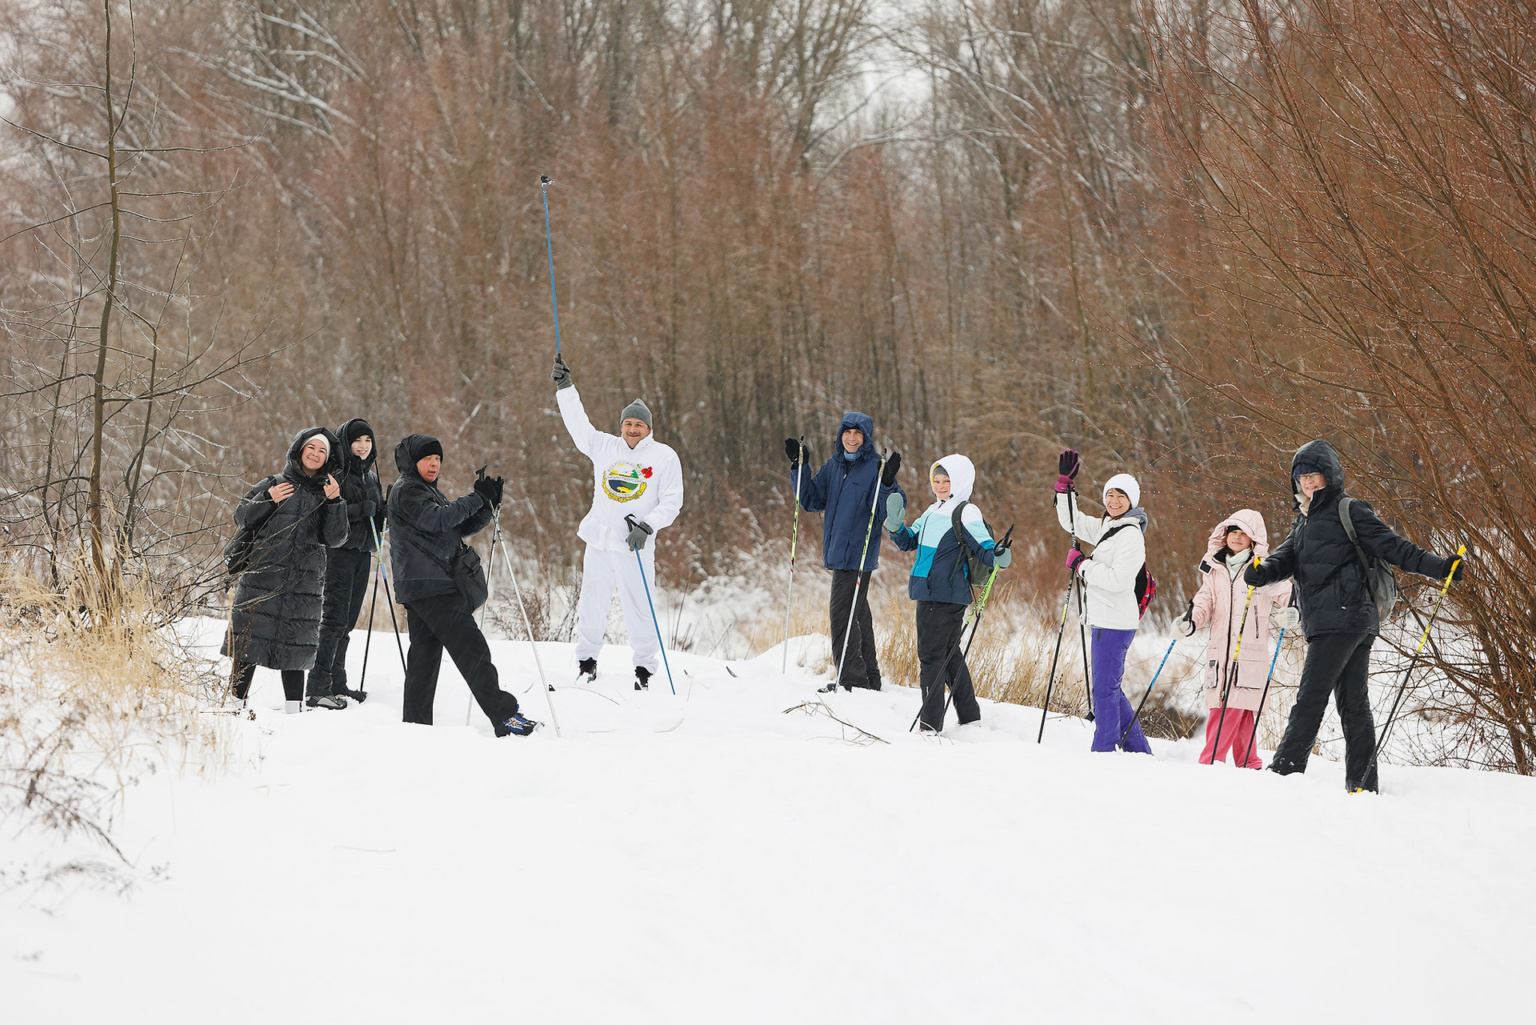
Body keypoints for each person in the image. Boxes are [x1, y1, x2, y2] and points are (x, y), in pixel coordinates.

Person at [1243, 440, 1466, 792]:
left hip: (1343, 618)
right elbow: (1283, 560)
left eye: (1315, 476)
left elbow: (1394, 547)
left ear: (1330, 476)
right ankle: (1362, 784)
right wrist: (1260, 572)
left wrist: (1440, 567)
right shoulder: (1303, 521)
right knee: (1353, 705)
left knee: (1310, 699)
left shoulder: (1349, 509)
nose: (1309, 483)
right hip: (1339, 622)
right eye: (1302, 477)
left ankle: (1283, 775)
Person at [387, 433, 537, 737]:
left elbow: (459, 526)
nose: (434, 464)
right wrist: (476, 497)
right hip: (432, 586)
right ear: (411, 461)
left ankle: (415, 727)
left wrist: (486, 504)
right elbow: (438, 520)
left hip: (423, 585)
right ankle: (504, 715)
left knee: (424, 658)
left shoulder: (426, 491)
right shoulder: (407, 491)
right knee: (472, 648)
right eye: (427, 458)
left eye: (438, 458)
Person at [552, 356, 684, 691]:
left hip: (634, 544)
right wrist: (566, 388)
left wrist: (647, 526)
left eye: (639, 425)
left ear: (649, 429)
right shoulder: (605, 447)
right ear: (621, 425)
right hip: (599, 539)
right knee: (591, 602)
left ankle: (645, 669)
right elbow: (578, 425)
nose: (632, 430)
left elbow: (672, 500)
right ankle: (586, 661)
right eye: (628, 424)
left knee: (639, 606)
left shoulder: (664, 456)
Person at [223, 427, 349, 714]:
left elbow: (336, 538)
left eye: (322, 451)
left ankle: (294, 711)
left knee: (297, 643)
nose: (315, 454)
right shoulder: (274, 483)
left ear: (328, 458)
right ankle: (234, 705)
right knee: (249, 641)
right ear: (299, 450)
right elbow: (241, 516)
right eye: (311, 448)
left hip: (303, 581)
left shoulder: (328, 493)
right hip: (263, 576)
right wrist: (268, 498)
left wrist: (335, 502)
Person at [886, 455, 1010, 732]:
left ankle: (930, 726)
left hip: (943, 595)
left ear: (960, 481)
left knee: (930, 658)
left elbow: (984, 547)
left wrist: (999, 556)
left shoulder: (966, 511)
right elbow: (908, 542)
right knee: (949, 655)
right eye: (937, 481)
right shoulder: (932, 511)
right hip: (929, 591)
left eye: (946, 481)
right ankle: (970, 716)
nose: (940, 486)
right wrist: (895, 525)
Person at [784, 414, 904, 693]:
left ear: (866, 438)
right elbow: (811, 499)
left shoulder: (876, 467)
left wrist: (887, 483)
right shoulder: (834, 466)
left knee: (842, 616)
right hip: (839, 552)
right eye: (847, 432)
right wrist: (800, 466)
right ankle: (869, 678)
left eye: (857, 434)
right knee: (857, 614)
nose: (851, 438)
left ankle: (851, 681)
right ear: (840, 435)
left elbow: (889, 508)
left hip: (858, 554)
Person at [1178, 510, 1296, 767]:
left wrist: (1292, 610)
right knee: (1240, 713)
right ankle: (1249, 763)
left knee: (1227, 709)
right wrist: (1191, 621)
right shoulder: (1214, 568)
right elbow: (1204, 600)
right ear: (1225, 535)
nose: (1238, 538)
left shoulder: (1262, 569)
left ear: (1254, 541)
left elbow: (1286, 592)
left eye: (1244, 534)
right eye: (1234, 532)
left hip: (1248, 656)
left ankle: (1210, 763)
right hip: (1219, 653)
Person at [1054, 449, 1153, 753]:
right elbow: (1072, 522)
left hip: (1116, 621)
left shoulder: (1131, 535)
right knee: (1108, 689)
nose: (1113, 501)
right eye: (1109, 495)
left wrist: (1082, 565)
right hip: (1104, 619)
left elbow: (1117, 579)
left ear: (1131, 502)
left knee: (1104, 692)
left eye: (1120, 496)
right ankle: (1138, 748)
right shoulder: (1107, 527)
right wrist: (1064, 487)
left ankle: (1104, 749)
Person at [307, 418, 385, 708]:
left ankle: (338, 682)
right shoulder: (335, 473)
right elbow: (323, 512)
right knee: (334, 621)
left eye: (368, 441)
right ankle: (317, 686)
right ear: (346, 443)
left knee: (348, 622)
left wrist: (380, 515)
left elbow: (375, 519)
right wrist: (357, 510)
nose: (363, 446)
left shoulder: (372, 477)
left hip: (362, 554)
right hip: (338, 553)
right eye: (357, 441)